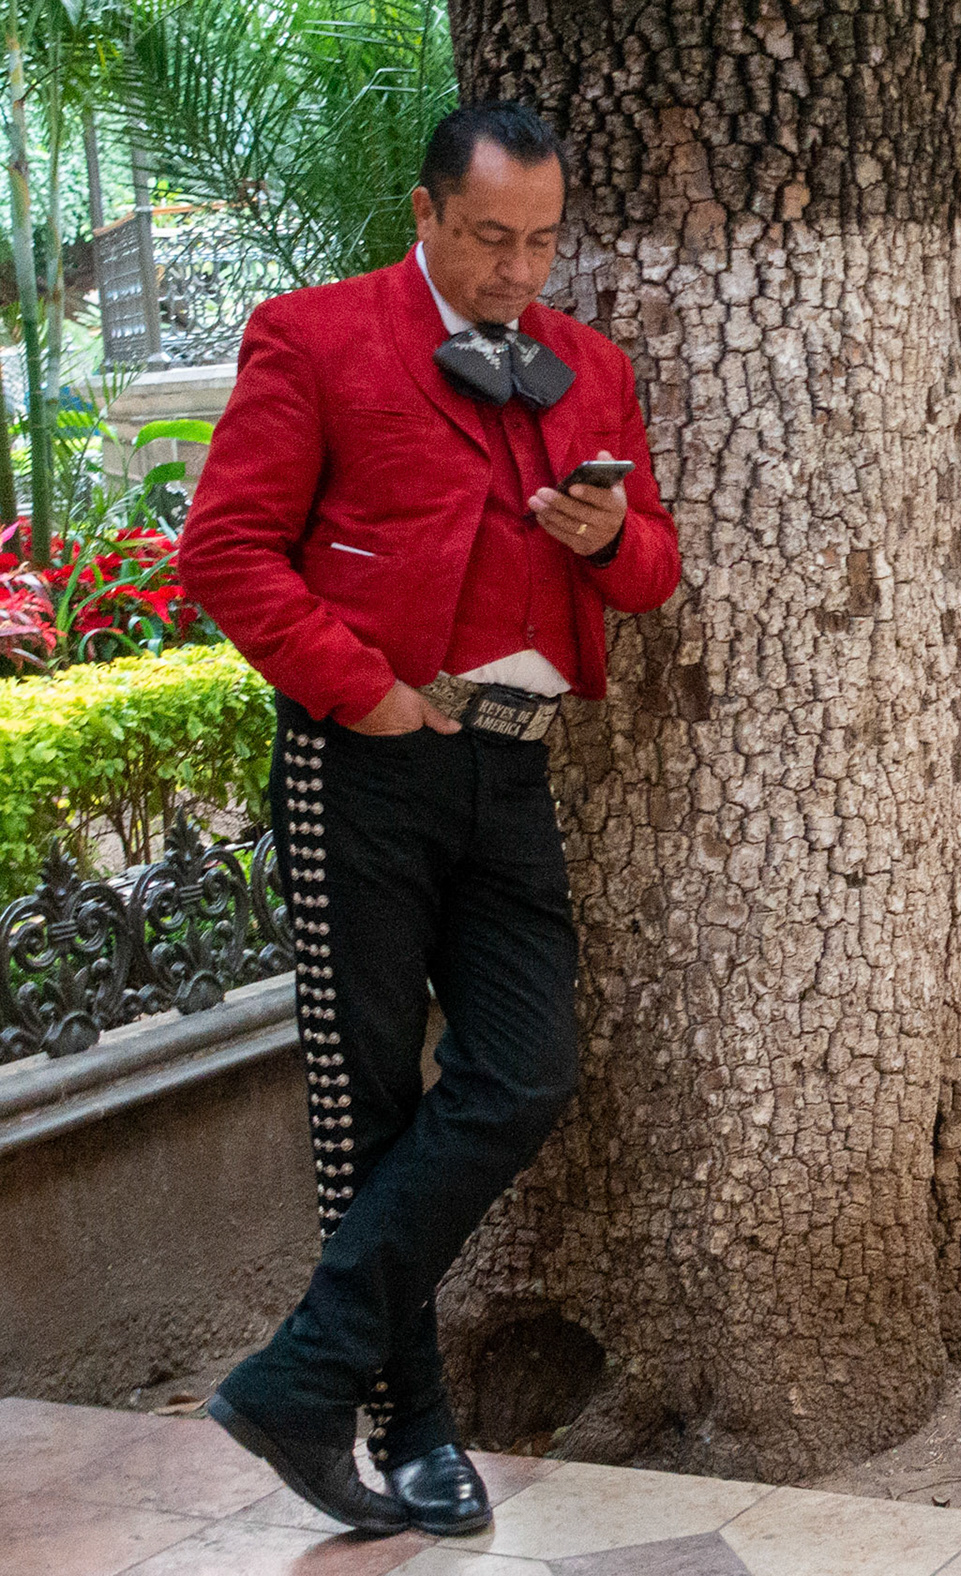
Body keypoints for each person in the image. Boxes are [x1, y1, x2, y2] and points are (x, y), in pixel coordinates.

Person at [177, 103, 680, 1536]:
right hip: (365, 765)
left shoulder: (591, 371)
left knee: (523, 1073)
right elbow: (227, 548)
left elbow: (652, 574)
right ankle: (413, 1433)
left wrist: (609, 539)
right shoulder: (315, 336)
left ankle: (298, 1376)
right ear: (426, 212)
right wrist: (365, 692)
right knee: (374, 1108)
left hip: (513, 771)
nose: (520, 270)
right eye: (489, 239)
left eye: (540, 241)